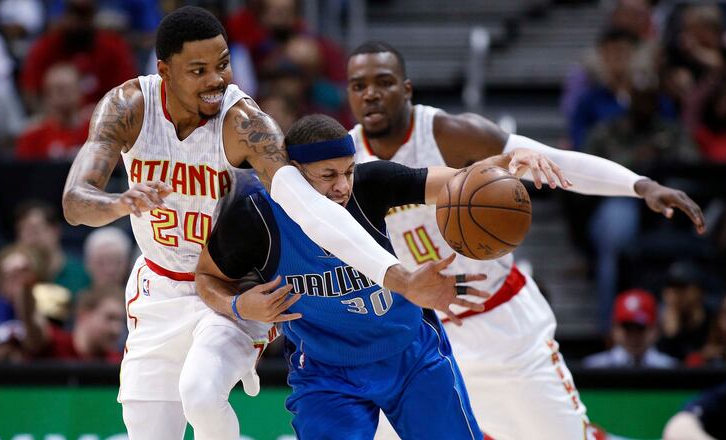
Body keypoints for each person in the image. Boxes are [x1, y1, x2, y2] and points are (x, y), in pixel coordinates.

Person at [61, 7, 477, 439]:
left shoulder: (246, 124)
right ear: (164, 70)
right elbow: (75, 203)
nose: (216, 81)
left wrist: (398, 278)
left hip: (231, 285)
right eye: (198, 70)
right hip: (158, 287)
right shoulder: (128, 108)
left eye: (223, 64)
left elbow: (312, 211)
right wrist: (119, 202)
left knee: (200, 394)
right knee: (147, 431)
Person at [345, 41, 706, 440]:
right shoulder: (344, 161)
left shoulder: (450, 134)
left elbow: (554, 162)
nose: (371, 94)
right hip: (420, 334)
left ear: (407, 89)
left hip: (502, 326)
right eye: (358, 85)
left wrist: (639, 185)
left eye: (383, 82)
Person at [195, 113, 558, 438]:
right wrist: (239, 305)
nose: (342, 186)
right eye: (328, 175)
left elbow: (459, 182)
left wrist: (510, 163)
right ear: (291, 173)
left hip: (410, 354)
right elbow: (206, 278)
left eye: (348, 171)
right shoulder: (254, 217)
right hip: (326, 373)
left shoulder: (371, 184)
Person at [583, 289, 678, 368]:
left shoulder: (672, 367)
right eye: (627, 328)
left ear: (655, 330)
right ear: (614, 329)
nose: (634, 336)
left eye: (640, 328)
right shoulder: (592, 367)